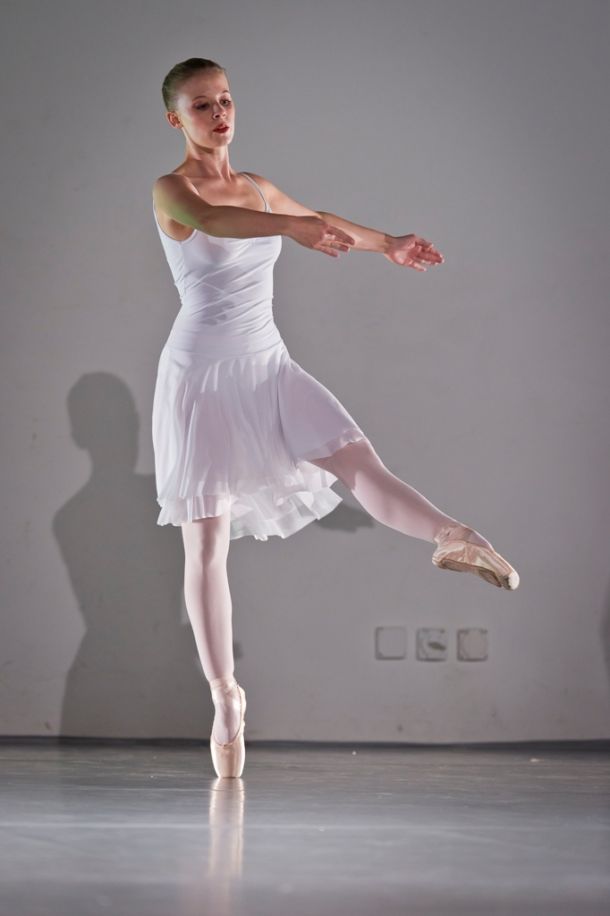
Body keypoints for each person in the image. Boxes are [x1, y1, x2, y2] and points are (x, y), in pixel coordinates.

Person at [151, 57, 519, 778]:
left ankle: (456, 536)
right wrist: (294, 227)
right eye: (201, 105)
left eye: (225, 100)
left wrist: (389, 244)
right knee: (207, 543)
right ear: (176, 119)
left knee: (355, 458)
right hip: (202, 376)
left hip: (268, 363)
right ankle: (226, 697)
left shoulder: (258, 186)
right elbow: (215, 221)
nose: (219, 114)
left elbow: (315, 220)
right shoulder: (173, 190)